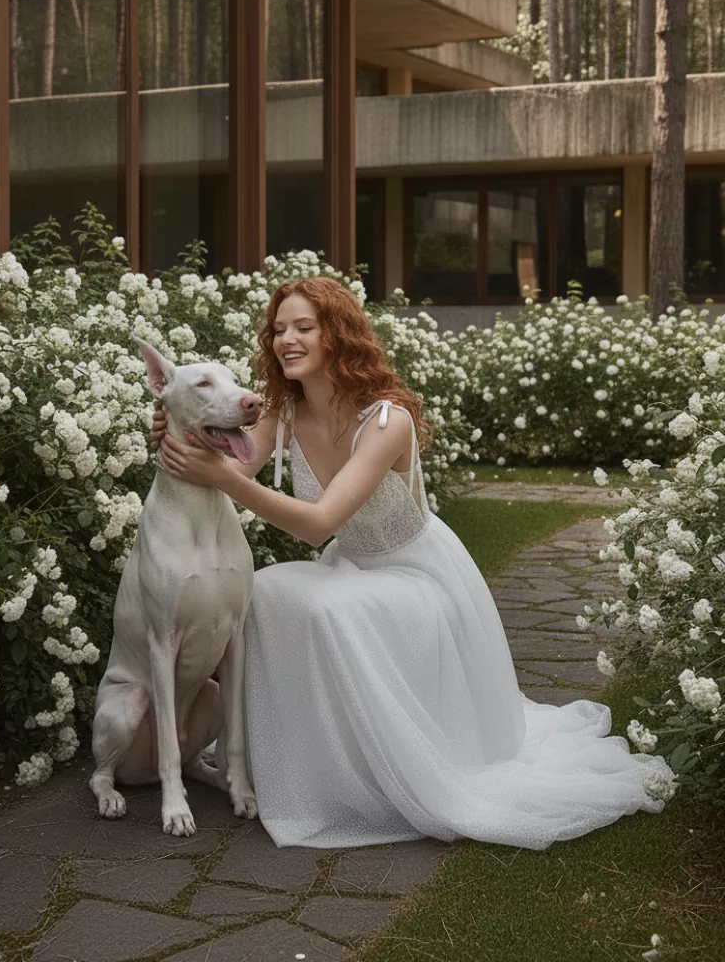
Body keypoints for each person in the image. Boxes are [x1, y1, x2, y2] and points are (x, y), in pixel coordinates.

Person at [151, 276, 671, 851]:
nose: (286, 340)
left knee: (321, 605)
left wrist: (219, 474)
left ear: (338, 334)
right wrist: (182, 429)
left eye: (304, 327)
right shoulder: (285, 409)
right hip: (350, 565)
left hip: (416, 575)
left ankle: (382, 771)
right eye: (278, 329)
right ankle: (306, 766)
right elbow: (236, 465)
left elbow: (317, 522)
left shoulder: (386, 419)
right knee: (269, 590)